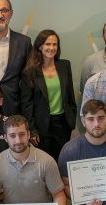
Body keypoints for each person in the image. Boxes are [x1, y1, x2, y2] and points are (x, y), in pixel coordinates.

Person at [21, 29, 77, 161]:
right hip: (41, 126)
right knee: (44, 162)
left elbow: (70, 95)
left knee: (62, 160)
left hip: (63, 124)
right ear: (40, 46)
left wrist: (71, 118)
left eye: (54, 44)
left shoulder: (64, 65)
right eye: (47, 44)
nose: (51, 48)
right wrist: (32, 129)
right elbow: (26, 104)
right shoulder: (30, 71)